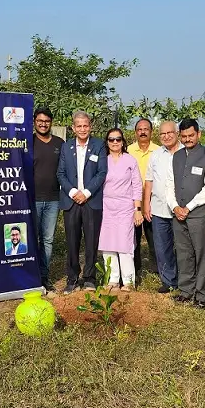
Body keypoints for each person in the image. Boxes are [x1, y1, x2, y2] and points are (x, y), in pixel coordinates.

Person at [166, 119, 205, 308]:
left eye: (191, 135)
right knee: (183, 252)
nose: (188, 139)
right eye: (184, 136)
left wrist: (189, 207)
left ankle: (202, 295)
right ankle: (186, 290)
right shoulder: (177, 156)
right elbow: (169, 183)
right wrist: (174, 206)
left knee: (201, 253)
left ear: (199, 134)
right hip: (178, 214)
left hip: (198, 214)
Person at [56, 111, 108, 293]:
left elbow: (102, 172)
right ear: (73, 128)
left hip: (91, 200)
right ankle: (72, 279)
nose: (82, 129)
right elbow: (60, 173)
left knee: (91, 241)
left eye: (85, 125)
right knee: (72, 241)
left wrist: (86, 193)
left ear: (90, 126)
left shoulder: (99, 145)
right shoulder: (66, 147)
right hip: (71, 201)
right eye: (79, 126)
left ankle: (90, 278)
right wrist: (72, 192)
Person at [99, 128, 144, 291]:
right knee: (108, 244)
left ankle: (128, 281)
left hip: (125, 208)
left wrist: (137, 209)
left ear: (123, 141)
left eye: (118, 139)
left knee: (125, 245)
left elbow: (137, 186)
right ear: (107, 142)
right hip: (106, 207)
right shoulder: (103, 160)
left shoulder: (130, 160)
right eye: (111, 139)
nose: (115, 142)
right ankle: (112, 279)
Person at [143, 121, 183, 293]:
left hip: (181, 210)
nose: (166, 137)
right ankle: (168, 280)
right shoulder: (156, 155)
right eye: (162, 134)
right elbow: (149, 181)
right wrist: (146, 204)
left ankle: (185, 279)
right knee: (162, 247)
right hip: (158, 209)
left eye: (170, 133)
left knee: (183, 246)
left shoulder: (186, 152)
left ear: (177, 133)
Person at [32, 108, 64, 292]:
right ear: (35, 121)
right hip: (33, 199)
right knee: (32, 239)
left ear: (51, 122)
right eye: (40, 120)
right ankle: (32, 276)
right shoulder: (28, 142)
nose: (43, 124)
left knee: (48, 240)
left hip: (53, 199)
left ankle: (44, 277)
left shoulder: (59, 143)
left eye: (46, 121)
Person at [127, 118, 158, 279]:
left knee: (154, 237)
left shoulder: (159, 151)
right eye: (139, 129)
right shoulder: (129, 150)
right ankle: (135, 269)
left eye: (146, 129)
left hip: (154, 201)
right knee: (134, 238)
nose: (143, 132)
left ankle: (158, 269)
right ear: (135, 132)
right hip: (133, 202)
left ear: (151, 131)